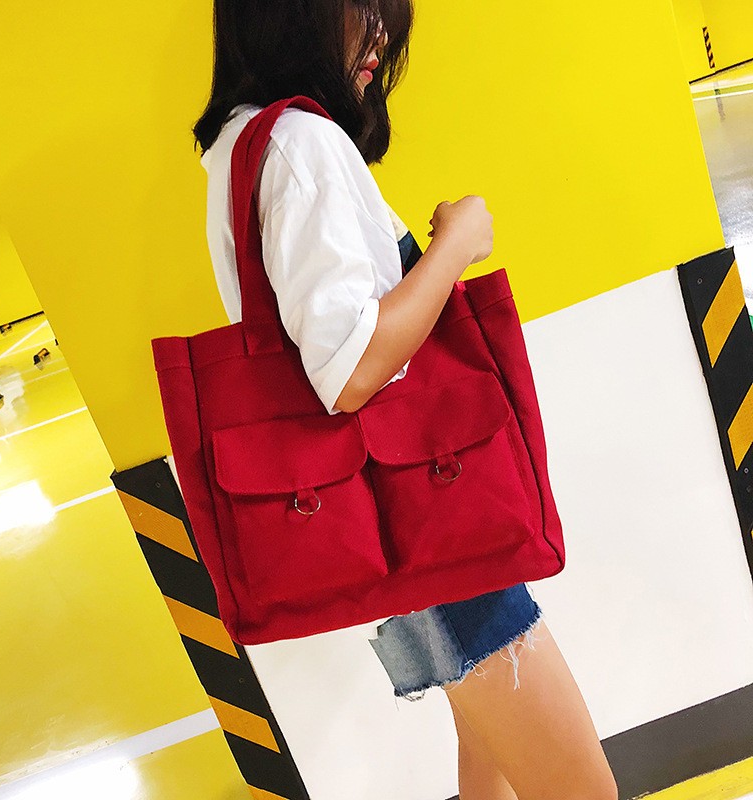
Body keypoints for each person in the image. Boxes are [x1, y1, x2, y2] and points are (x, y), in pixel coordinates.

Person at [193, 1, 618, 797]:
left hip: (398, 521)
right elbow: (350, 370)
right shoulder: (300, 144)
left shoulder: (242, 143)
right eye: (360, 9)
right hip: (429, 515)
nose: (379, 37)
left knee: (487, 757)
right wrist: (456, 244)